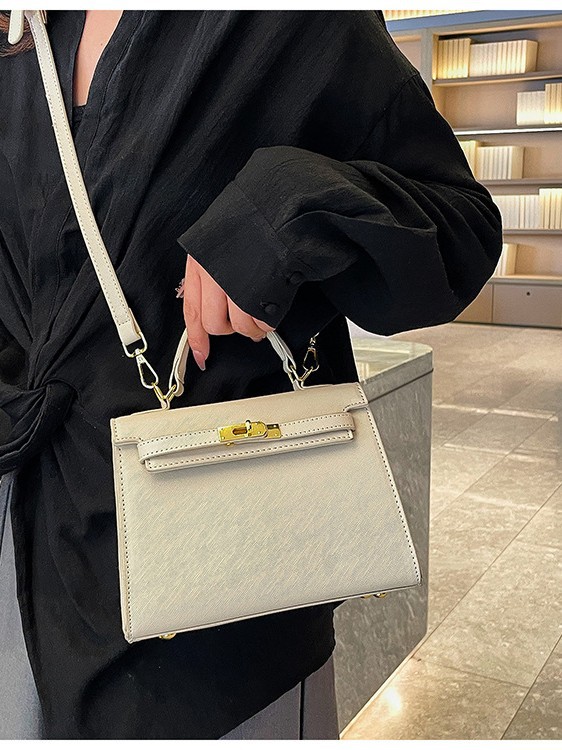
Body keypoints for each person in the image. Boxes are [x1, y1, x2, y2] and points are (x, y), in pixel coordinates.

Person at [0, 9, 502, 740]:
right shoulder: (20, 33)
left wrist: (284, 211)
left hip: (227, 563)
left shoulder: (290, 22)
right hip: (27, 540)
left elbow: (460, 230)